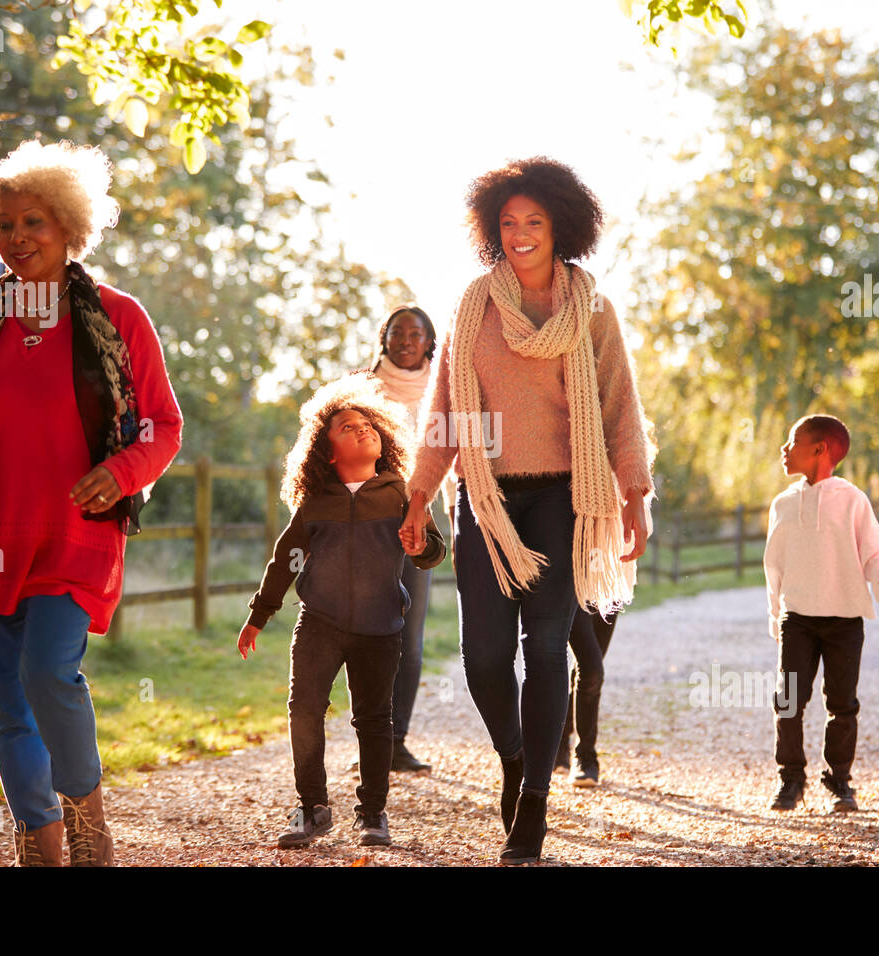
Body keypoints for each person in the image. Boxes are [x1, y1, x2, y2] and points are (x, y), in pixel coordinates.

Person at [0, 139, 182, 865]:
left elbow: (163, 423)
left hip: (75, 531)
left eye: (34, 222)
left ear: (70, 227)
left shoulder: (119, 318)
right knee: (11, 705)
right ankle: (39, 840)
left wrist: (124, 471)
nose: (19, 238)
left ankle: (88, 827)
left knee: (47, 673)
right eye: (5, 224)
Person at [399, 157, 654, 864]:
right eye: (507, 223)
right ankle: (514, 760)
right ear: (491, 230)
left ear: (561, 226)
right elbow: (445, 415)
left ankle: (535, 801)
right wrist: (420, 495)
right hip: (486, 497)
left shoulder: (591, 309)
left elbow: (619, 409)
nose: (520, 233)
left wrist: (636, 497)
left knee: (545, 648)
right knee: (483, 658)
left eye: (533, 222)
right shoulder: (473, 305)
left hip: (567, 497)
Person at [239, 378, 445, 849]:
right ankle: (312, 808)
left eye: (368, 424)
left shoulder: (402, 494)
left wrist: (421, 547)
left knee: (374, 720)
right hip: (319, 624)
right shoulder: (315, 501)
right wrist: (259, 615)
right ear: (326, 452)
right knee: (304, 710)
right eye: (347, 427)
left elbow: (433, 551)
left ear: (383, 439)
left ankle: (372, 814)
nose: (361, 430)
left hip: (380, 627)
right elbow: (286, 559)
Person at [763, 415, 879, 813]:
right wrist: (775, 616)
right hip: (798, 619)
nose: (785, 448)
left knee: (842, 703)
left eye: (793, 440)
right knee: (788, 700)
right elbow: (774, 566)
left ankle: (839, 782)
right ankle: (791, 779)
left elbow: (875, 554)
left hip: (844, 619)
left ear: (820, 449)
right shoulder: (783, 504)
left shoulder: (853, 500)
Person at [369, 305, 438, 772]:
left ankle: (396, 741)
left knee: (409, 637)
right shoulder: (362, 387)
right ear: (385, 338)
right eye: (398, 332)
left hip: (423, 525)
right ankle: (369, 738)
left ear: (429, 343)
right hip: (367, 526)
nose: (407, 340)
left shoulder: (444, 393)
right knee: (368, 634)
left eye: (416, 334)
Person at [553, 610, 617, 786]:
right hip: (572, 588)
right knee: (591, 669)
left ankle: (560, 741)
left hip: (609, 588)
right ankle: (585, 756)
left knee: (587, 667)